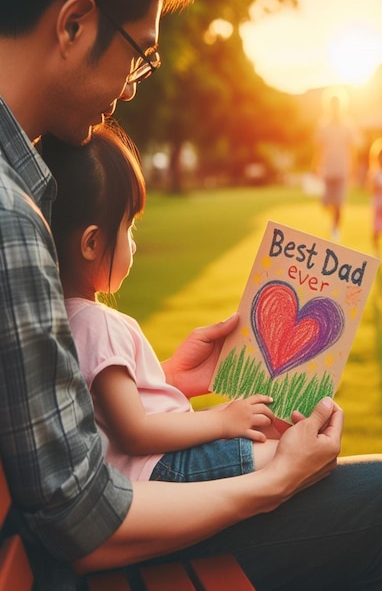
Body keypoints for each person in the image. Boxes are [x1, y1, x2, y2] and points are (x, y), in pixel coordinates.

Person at [0, 0, 382, 589]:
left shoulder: (25, 199)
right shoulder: (13, 216)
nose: (131, 84)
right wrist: (273, 482)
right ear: (74, 24)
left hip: (56, 529)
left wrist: (164, 382)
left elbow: (44, 421)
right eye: (138, 54)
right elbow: (84, 520)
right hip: (74, 559)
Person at [44, 124, 279, 484]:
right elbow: (135, 432)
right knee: (287, 448)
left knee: (268, 432)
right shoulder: (97, 323)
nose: (133, 244)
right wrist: (221, 420)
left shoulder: (63, 320)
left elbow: (122, 407)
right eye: (128, 228)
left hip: (160, 461)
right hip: (164, 467)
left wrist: (177, 383)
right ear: (91, 244)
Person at [313, 94, 355, 241]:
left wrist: (353, 168)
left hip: (342, 169)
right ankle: (333, 222)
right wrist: (315, 165)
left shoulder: (347, 126)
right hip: (327, 169)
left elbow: (352, 148)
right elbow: (319, 148)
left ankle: (335, 228)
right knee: (326, 203)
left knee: (339, 203)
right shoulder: (323, 126)